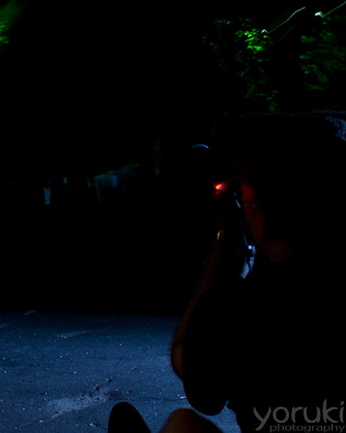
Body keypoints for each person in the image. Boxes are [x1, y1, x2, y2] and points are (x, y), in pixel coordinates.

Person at [108, 112, 346, 433]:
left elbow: (197, 383)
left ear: (258, 211)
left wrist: (229, 236)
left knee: (182, 424)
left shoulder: (241, 308)